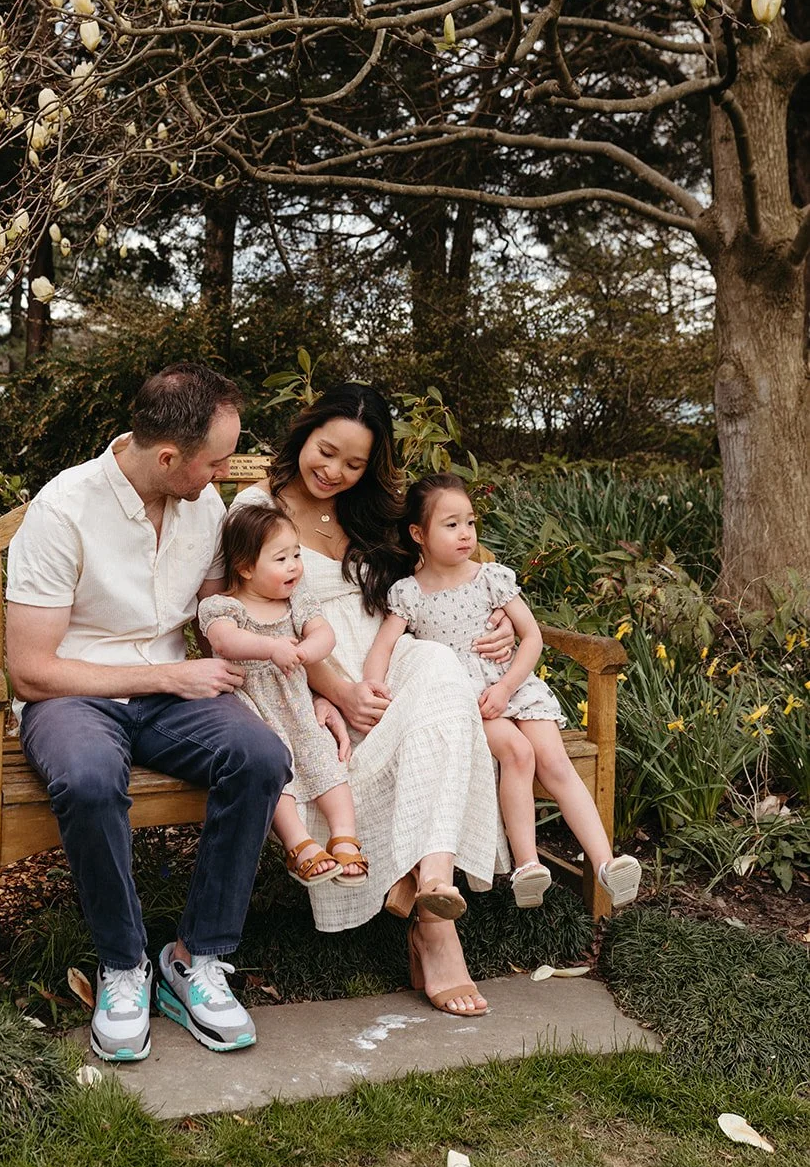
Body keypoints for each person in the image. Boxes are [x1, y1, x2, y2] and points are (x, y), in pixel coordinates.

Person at [5, 363, 292, 1063]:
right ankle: (123, 964)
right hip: (72, 694)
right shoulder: (64, 508)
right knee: (90, 779)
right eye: (216, 463)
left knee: (261, 757)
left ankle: (194, 958)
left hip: (172, 696)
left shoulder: (203, 506)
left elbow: (220, 609)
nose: (223, 477)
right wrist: (168, 672)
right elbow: (32, 668)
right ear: (169, 458)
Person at [230, 384, 515, 1018]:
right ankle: (431, 924)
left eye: (354, 464)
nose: (334, 472)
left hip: (388, 659)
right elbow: (237, 616)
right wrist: (330, 690)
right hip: (307, 675)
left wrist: (495, 624)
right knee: (403, 720)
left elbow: (448, 581)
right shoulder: (257, 508)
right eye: (325, 452)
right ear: (304, 435)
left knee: (440, 667)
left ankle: (433, 884)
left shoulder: (376, 513)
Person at [366, 474, 642, 911]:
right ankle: (528, 866)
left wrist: (507, 685)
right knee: (518, 753)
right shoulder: (410, 593)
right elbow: (382, 648)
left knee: (554, 760)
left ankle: (607, 863)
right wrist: (376, 689)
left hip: (512, 685)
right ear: (418, 534)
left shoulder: (490, 578)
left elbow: (531, 637)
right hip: (467, 700)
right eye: (451, 524)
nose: (465, 534)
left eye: (470, 523)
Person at [198, 503, 368, 890]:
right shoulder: (223, 606)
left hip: (296, 703)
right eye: (281, 558)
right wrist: (269, 647)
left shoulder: (297, 603)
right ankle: (300, 845)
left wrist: (307, 651)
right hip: (252, 709)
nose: (294, 565)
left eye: (296, 555)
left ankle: (345, 837)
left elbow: (324, 633)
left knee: (324, 759)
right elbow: (224, 639)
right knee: (276, 772)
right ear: (244, 567)